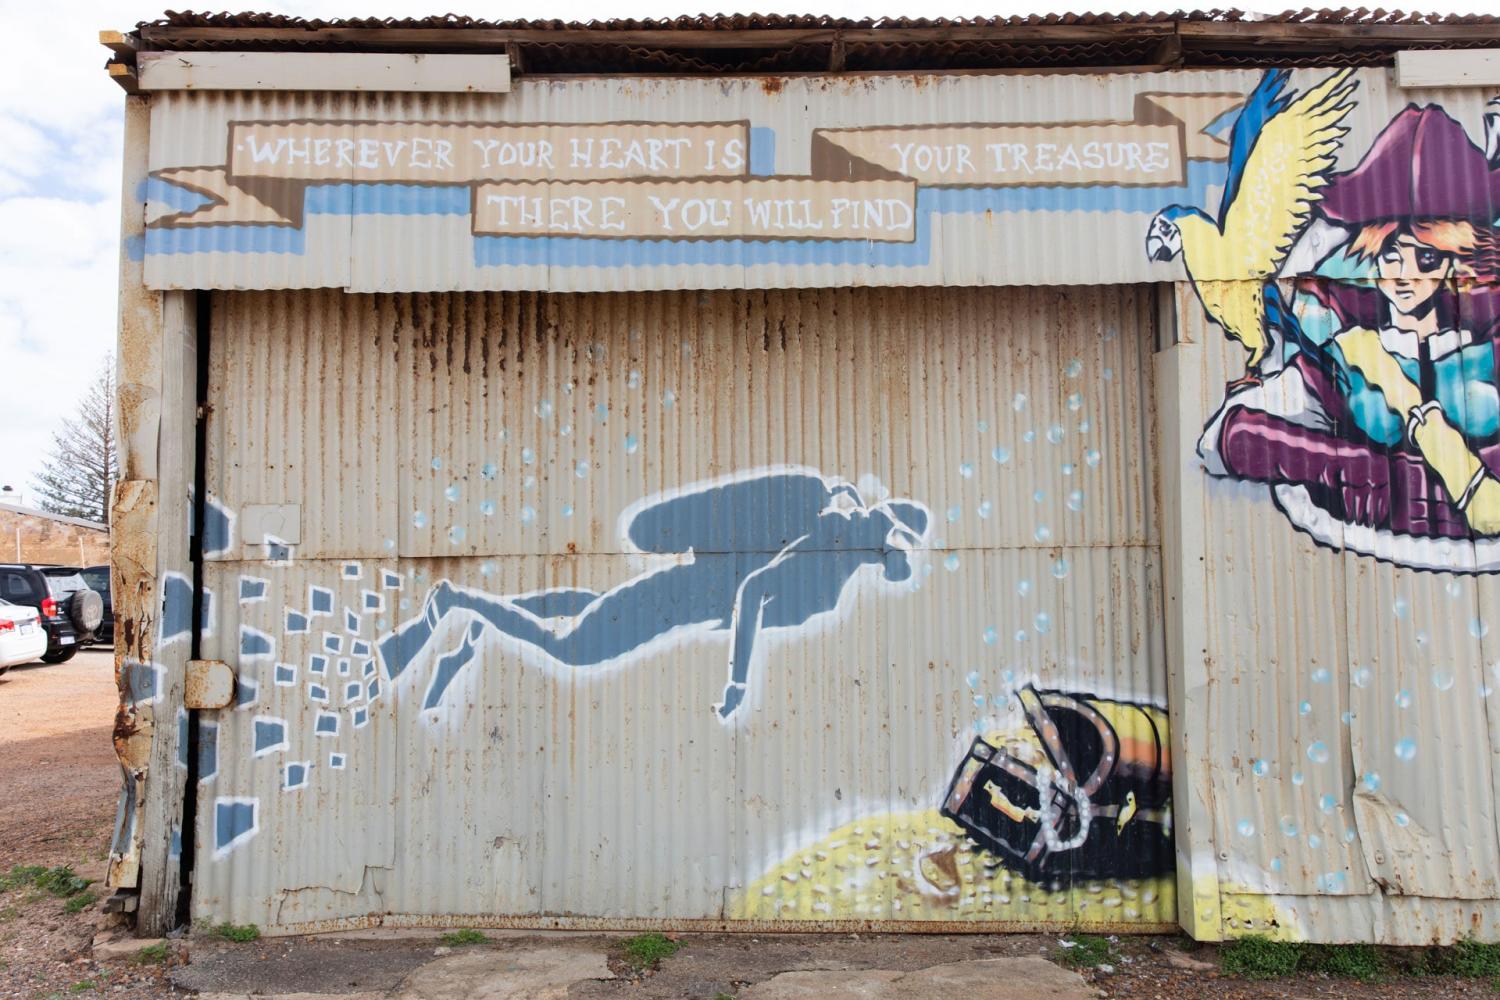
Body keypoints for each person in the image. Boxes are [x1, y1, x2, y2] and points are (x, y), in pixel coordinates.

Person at [1199, 104, 1500, 565]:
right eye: (1391, 254)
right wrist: (1370, 474)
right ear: (1371, 253)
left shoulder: (1488, 351)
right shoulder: (1349, 356)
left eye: (1426, 258)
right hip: (1358, 563)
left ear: (1453, 261)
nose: (1404, 274)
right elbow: (1226, 437)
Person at [378, 468, 930, 718]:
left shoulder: (837, 551)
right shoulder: (829, 549)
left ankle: (480, 620)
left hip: (681, 596)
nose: (903, 562)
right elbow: (754, 590)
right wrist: (738, 681)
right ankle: (458, 602)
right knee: (573, 648)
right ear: (886, 538)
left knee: (596, 606)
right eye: (902, 548)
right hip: (677, 602)